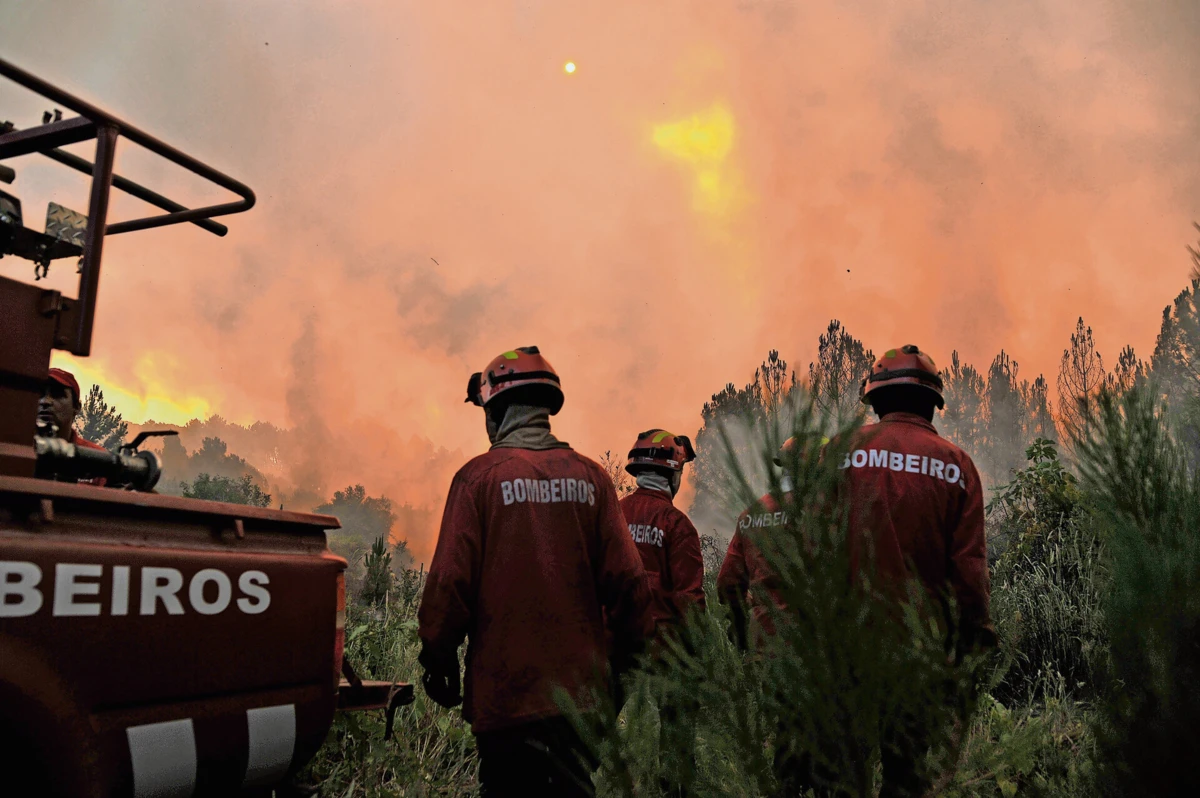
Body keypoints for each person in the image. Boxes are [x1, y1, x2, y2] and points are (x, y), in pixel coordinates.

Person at [417, 346, 654, 798]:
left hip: (504, 699)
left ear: (496, 411)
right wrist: (619, 675)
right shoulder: (593, 480)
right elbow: (630, 586)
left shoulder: (477, 480)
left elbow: (449, 585)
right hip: (578, 701)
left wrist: (438, 660)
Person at [843, 344, 996, 798]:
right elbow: (969, 567)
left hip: (841, 643)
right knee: (906, 775)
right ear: (933, 403)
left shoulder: (836, 455)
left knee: (840, 772)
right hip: (919, 649)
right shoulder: (957, 466)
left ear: (874, 400)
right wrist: (976, 635)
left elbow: (804, 546)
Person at [618, 429, 705, 796]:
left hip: (615, 642)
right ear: (672, 473)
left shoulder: (613, 514)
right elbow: (690, 599)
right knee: (676, 730)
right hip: (665, 648)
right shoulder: (677, 525)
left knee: (594, 730)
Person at [37, 368, 106, 451]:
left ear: (76, 407)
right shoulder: (19, 448)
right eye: (39, 394)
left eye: (57, 394)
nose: (45, 401)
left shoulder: (95, 457)